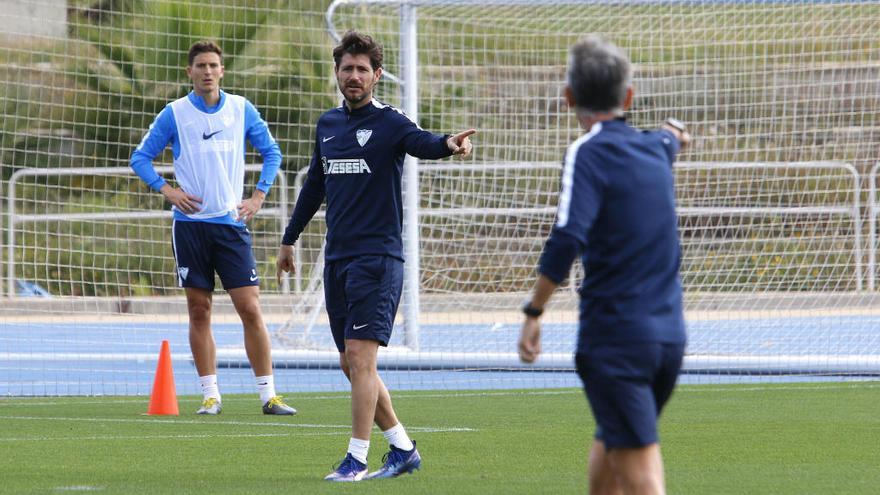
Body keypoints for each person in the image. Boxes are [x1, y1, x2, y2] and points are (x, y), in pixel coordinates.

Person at [275, 31, 475, 482]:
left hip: (378, 258)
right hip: (338, 259)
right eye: (347, 68)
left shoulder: (389, 122)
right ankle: (402, 448)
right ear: (338, 73)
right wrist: (289, 239)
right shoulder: (327, 125)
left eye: (362, 69)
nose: (354, 75)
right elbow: (314, 187)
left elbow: (422, 142)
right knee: (350, 362)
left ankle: (357, 459)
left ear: (377, 75)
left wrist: (449, 144)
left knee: (362, 360)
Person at [518, 35, 690, 495]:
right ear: (628, 97)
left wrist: (533, 312)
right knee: (613, 442)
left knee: (642, 479)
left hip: (616, 340)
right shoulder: (655, 148)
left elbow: (568, 235)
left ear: (569, 97)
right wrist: (675, 131)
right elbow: (671, 137)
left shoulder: (586, 152)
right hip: (669, 338)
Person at [131, 40, 296, 416]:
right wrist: (168, 191)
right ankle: (210, 395)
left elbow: (272, 152)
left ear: (222, 71)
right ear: (189, 72)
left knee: (250, 307)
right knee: (199, 310)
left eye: (213, 65)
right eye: (201, 66)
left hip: (230, 224)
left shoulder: (240, 109)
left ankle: (269, 395)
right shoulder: (174, 113)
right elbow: (140, 158)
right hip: (190, 227)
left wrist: (257, 197)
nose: (207, 71)